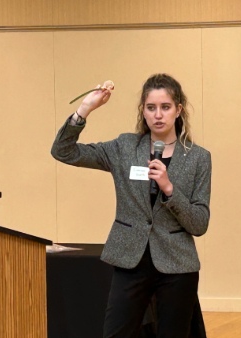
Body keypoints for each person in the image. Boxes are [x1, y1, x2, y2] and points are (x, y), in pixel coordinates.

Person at [51, 73, 211, 337]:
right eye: (151, 107)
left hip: (177, 265)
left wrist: (170, 189)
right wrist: (85, 109)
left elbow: (200, 223)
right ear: (143, 111)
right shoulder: (124, 147)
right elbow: (63, 151)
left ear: (178, 110)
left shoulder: (198, 159)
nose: (158, 114)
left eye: (165, 107)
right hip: (130, 259)